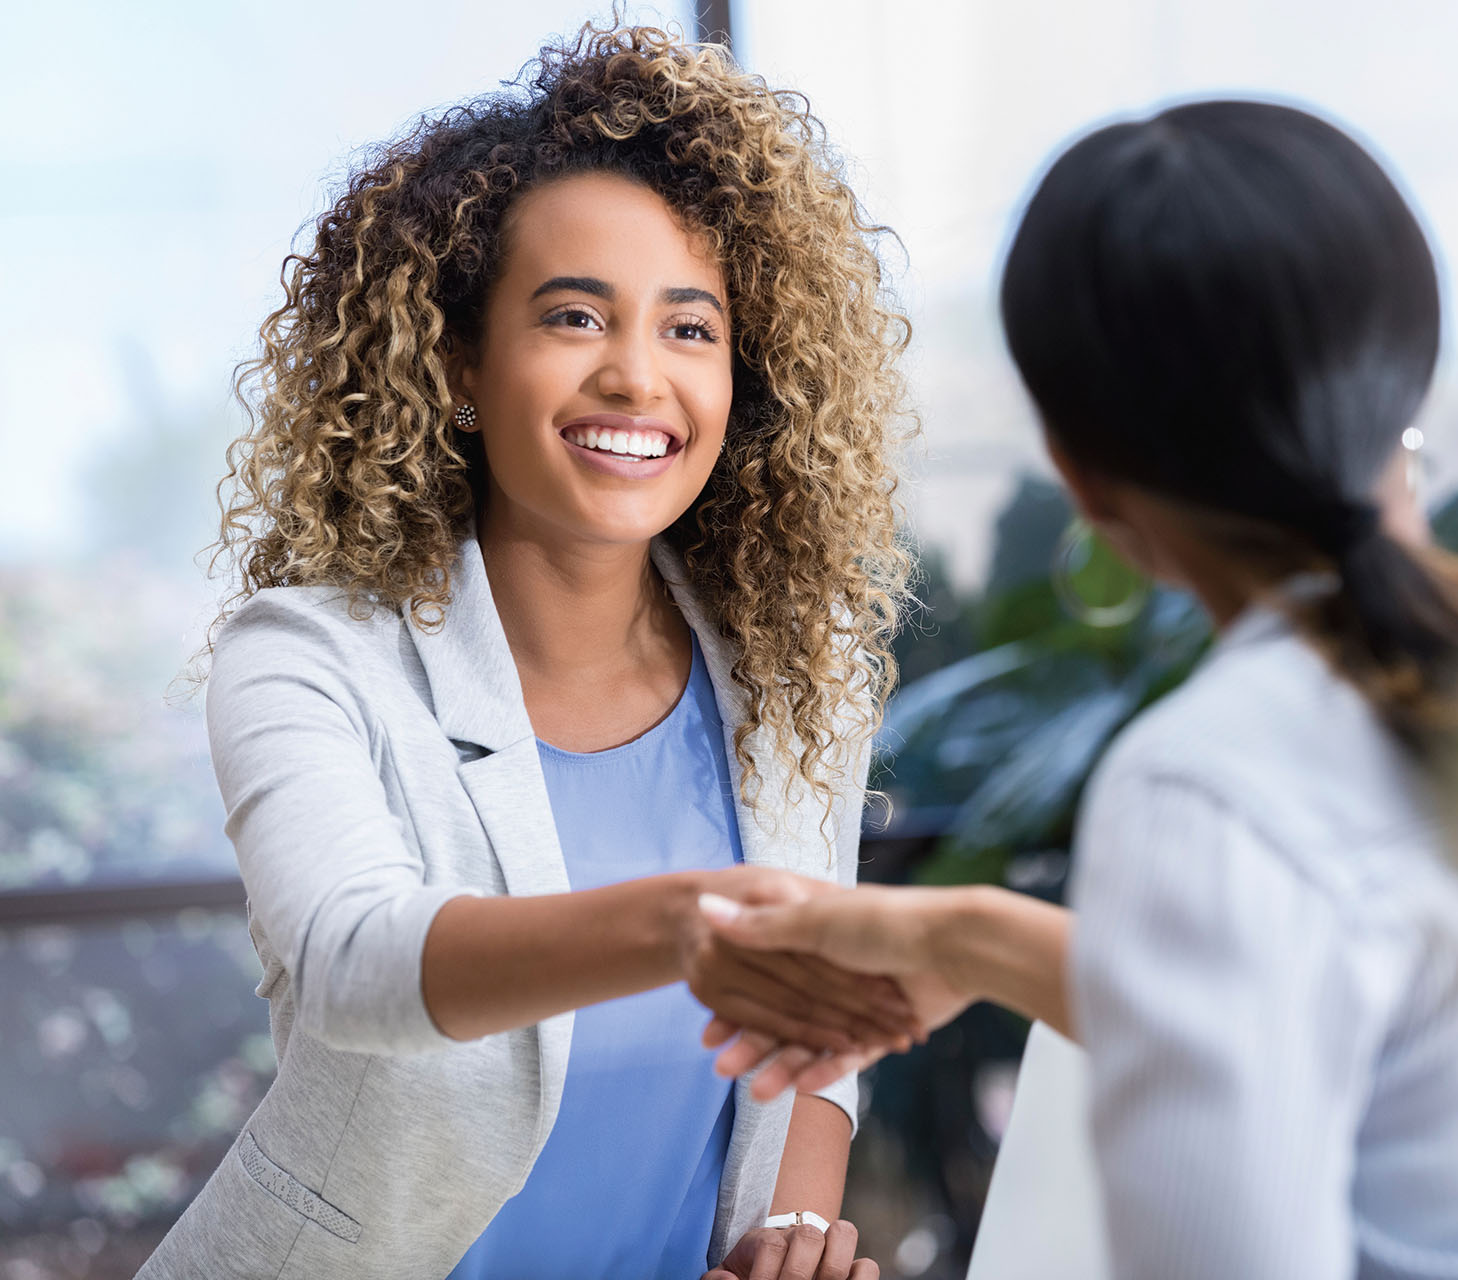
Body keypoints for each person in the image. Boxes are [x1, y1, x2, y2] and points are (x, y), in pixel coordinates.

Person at [691, 100, 1458, 1278]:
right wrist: (983, 938)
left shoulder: (1211, 786)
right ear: (1409, 371)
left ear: (1078, 473)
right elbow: (1449, 1065)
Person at [140, 25, 913, 1280]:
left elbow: (815, 1036)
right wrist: (687, 921)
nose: (635, 376)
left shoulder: (794, 663)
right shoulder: (307, 658)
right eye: (573, 315)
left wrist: (793, 1240)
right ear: (457, 360)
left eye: (690, 328)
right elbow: (358, 963)